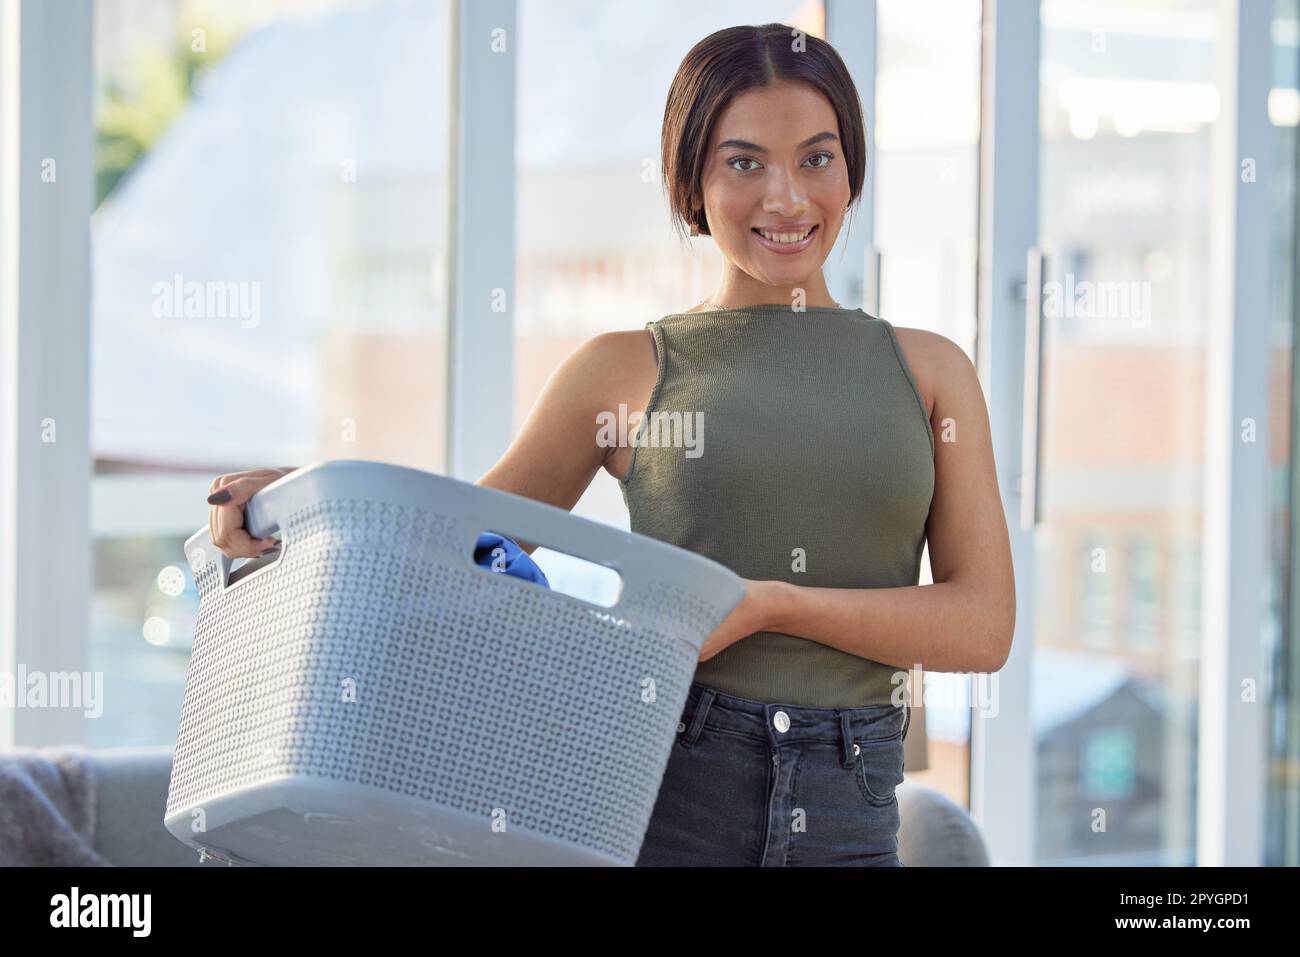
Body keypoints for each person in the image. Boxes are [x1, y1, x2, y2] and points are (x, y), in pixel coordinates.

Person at [206, 22, 1015, 867]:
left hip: (852, 800)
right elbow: (460, 545)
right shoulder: (623, 370)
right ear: (690, 179)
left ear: (851, 169)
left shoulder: (928, 371)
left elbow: (983, 624)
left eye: (817, 158)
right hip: (670, 781)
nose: (786, 199)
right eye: (744, 162)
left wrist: (776, 604)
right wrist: (303, 503)